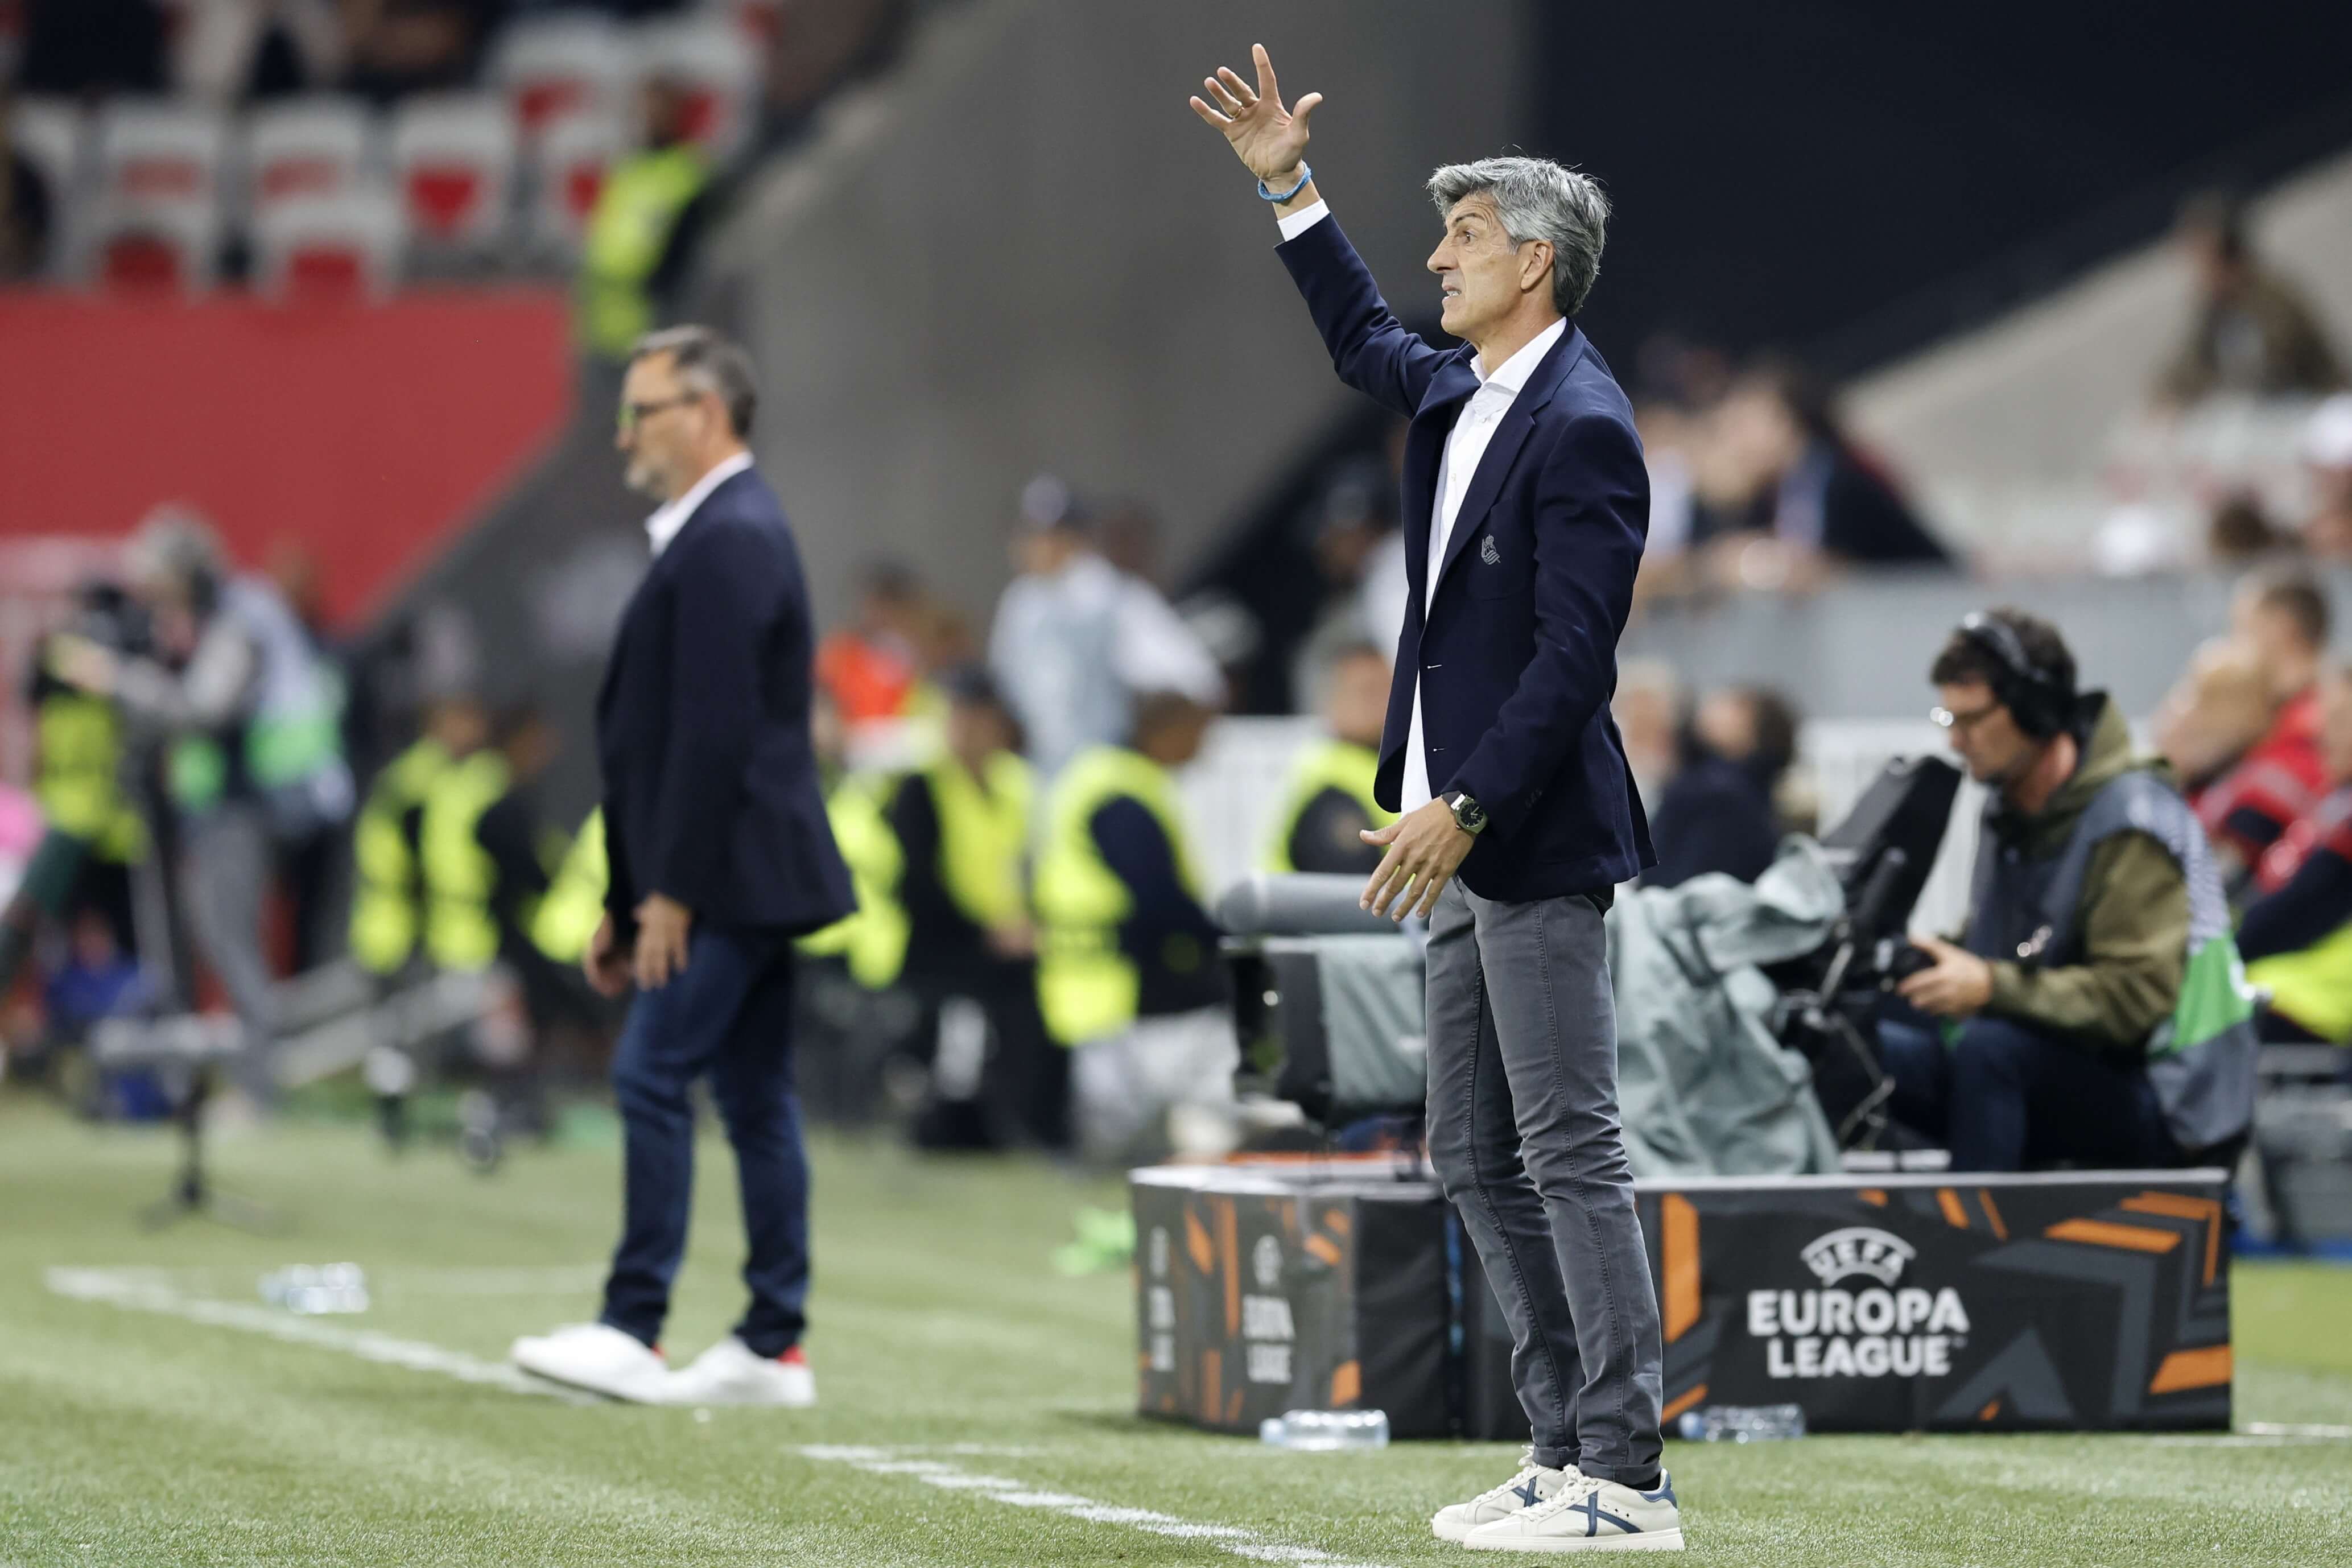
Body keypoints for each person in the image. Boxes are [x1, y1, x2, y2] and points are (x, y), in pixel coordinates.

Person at [1191, 47, 1679, 1549]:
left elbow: (1570, 658)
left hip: (1518, 838)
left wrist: (1460, 802)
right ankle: (1554, 1451)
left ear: (1530, 261)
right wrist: (1287, 183)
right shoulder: (1465, 387)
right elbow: (1355, 331)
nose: (1435, 261)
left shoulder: (1583, 424)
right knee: (1469, 1149)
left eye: (1460, 239)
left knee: (1567, 1148)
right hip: (1456, 845)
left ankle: (1628, 1475)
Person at [510, 326, 852, 1408]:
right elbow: (657, 740)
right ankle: (768, 1344)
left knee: (652, 1074)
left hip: (727, 875)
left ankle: (634, 1322)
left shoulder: (729, 536)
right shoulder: (719, 531)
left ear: (706, 414)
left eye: (643, 410)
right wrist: (626, 895)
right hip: (738, 870)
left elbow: (711, 737)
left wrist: (668, 892)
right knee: (751, 1096)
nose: (624, 433)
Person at [1881, 610, 2257, 1172]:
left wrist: (1989, 985)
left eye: (1972, 718)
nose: (1955, 739)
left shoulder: (2131, 820)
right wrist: (1910, 960)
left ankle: (1972, 1248)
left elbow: (2132, 998)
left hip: (2171, 1101)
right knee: (1866, 1031)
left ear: (2037, 708)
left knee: (1991, 1052)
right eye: (1947, 717)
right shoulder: (2012, 806)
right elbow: (2017, 944)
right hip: (2072, 1060)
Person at [47, 509, 354, 1101]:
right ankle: (228, 1082)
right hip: (219, 804)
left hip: (243, 807)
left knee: (232, 943)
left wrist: (115, 678)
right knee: (217, 938)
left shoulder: (236, 620)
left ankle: (258, 1091)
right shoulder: (218, 616)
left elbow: (200, 709)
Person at [1033, 691, 1232, 1162]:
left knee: (1111, 1105)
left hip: (1087, 969)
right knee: (1126, 1114)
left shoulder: (1097, 777)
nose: (1203, 749)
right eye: (1198, 735)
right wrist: (1216, 939)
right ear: (1165, 730)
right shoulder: (1122, 790)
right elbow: (1154, 893)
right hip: (1120, 971)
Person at [882, 666, 1060, 1151]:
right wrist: (987, 931)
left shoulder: (1018, 787)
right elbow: (918, 884)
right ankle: (953, 1117)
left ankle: (1033, 1122)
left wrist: (1030, 924)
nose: (966, 729)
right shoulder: (921, 788)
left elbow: (1037, 869)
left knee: (1048, 992)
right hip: (940, 942)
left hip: (1006, 939)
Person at [987, 474, 1223, 779]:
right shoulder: (1021, 604)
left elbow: (1193, 680)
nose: (1040, 545)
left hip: (1107, 775)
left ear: (1079, 537)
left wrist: (1148, 740)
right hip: (1040, 776)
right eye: (1031, 534)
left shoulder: (1113, 597)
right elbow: (1006, 689)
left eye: (1053, 534)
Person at [1689, 358, 1950, 585]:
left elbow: (1839, 568)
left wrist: (1757, 565)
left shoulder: (1841, 479)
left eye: (1747, 425)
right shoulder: (1779, 495)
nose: (1738, 443)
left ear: (1787, 422)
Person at [2238, 662, 2352, 1043]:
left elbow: (2296, 912)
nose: (2322, 734)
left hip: (2312, 1013)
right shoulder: (2334, 800)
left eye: (2340, 719)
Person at [2208, 570, 2335, 898]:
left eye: (2244, 627)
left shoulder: (2320, 728)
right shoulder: (2266, 723)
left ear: (2281, 628)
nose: (2233, 644)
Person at [2153, 192, 2345, 407]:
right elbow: (2190, 365)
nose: (2198, 275)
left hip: (2319, 403)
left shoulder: (2272, 299)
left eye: (2204, 263)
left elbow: (2270, 369)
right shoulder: (2214, 310)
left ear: (2228, 259)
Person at [577, 73, 716, 361]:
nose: (648, 117)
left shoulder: (689, 169)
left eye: (657, 108)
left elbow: (685, 245)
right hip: (606, 309)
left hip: (657, 311)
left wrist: (658, 288)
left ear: (676, 113)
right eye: (644, 108)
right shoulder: (627, 168)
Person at [348, 694, 480, 981]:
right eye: (466, 720)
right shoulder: (423, 781)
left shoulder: (414, 774)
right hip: (405, 934)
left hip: (396, 930)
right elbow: (417, 861)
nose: (475, 729)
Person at [1645, 686, 1797, 889]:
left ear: (1754, 733)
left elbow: (1684, 881)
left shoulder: (1719, 794)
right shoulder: (1712, 784)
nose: (1717, 706)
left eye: (1737, 707)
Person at [1265, 641, 1394, 875]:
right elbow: (1350, 891)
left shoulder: (1388, 767)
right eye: (1368, 692)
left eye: (1391, 689)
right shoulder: (1331, 786)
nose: (1385, 704)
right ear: (1331, 701)